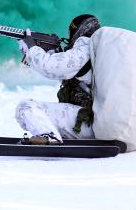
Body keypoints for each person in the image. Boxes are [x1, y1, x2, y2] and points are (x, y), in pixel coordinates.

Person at [15, 14, 100, 144]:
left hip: (90, 124)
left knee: (25, 108)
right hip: (95, 122)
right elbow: (66, 73)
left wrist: (32, 48)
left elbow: (50, 67)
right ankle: (54, 135)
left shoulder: (85, 49)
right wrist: (51, 54)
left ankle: (50, 137)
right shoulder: (97, 52)